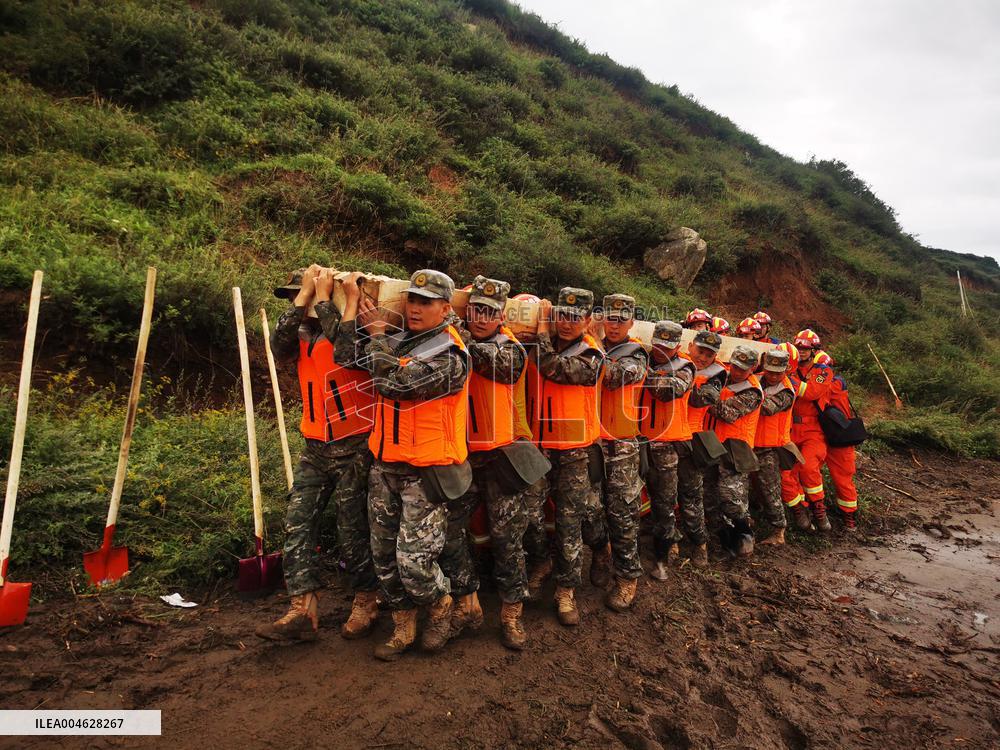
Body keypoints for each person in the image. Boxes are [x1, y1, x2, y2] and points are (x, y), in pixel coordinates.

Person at [338, 269, 471, 661]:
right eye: (411, 300)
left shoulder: (451, 354)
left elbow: (393, 384)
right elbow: (346, 357)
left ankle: (442, 604)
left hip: (425, 473)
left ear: (445, 308)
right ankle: (403, 625)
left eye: (426, 302)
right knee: (383, 558)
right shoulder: (399, 340)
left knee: (414, 564)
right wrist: (352, 309)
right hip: (386, 467)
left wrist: (377, 334)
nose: (415, 308)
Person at [255, 266, 379, 643]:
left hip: (355, 444)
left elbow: (345, 353)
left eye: (307, 295)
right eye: (301, 297)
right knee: (297, 521)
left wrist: (327, 299)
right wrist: (304, 297)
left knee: (351, 528)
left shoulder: (354, 325)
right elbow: (277, 346)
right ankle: (302, 607)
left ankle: (366, 598)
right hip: (315, 444)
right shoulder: (301, 334)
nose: (304, 303)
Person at [440, 275, 534, 649]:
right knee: (450, 532)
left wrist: (455, 327)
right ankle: (468, 602)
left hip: (499, 457)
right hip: (460, 456)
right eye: (475, 309)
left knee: (507, 539)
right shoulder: (451, 340)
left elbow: (487, 362)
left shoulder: (510, 350)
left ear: (502, 317)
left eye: (490, 312)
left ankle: (512, 614)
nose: (481, 317)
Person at [526, 287, 605, 626]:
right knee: (529, 515)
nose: (567, 323)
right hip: (539, 446)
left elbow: (554, 369)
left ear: (587, 321)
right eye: (561, 316)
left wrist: (542, 330)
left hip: (574, 451)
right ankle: (543, 562)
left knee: (570, 523)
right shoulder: (539, 344)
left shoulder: (592, 354)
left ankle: (566, 590)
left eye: (575, 317)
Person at [592, 294, 646, 611]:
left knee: (623, 516)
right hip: (590, 442)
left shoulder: (635, 354)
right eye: (609, 318)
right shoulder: (590, 346)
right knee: (590, 510)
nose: (614, 325)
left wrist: (588, 346)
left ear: (631, 323)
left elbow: (612, 377)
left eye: (621, 319)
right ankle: (601, 551)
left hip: (622, 446)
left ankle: (627, 579)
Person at [640, 320, 704, 576]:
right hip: (638, 439)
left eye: (667, 346)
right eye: (657, 344)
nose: (661, 350)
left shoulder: (685, 367)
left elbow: (666, 392)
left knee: (664, 503)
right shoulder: (642, 356)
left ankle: (662, 559)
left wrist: (641, 368)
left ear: (678, 346)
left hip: (667, 445)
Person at [702, 345, 764, 557]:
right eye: (735, 366)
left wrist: (704, 395)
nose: (737, 372)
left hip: (737, 449)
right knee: (709, 495)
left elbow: (726, 413)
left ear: (753, 368)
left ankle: (745, 535)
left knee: (732, 498)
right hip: (713, 442)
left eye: (742, 369)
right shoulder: (724, 377)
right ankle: (724, 540)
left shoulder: (752, 391)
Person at [781, 329, 834, 532]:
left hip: (813, 430)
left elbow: (811, 392)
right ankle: (798, 510)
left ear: (814, 350)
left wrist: (787, 378)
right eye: (799, 347)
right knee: (786, 474)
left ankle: (819, 509)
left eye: (806, 348)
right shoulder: (790, 368)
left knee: (809, 468)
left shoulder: (822, 371)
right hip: (789, 428)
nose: (802, 351)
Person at [751, 349, 795, 544]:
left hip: (770, 448)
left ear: (786, 370)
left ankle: (779, 530)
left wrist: (742, 398)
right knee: (744, 488)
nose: (774, 375)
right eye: (770, 371)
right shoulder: (756, 379)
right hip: (749, 444)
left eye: (778, 372)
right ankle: (748, 523)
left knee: (771, 491)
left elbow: (767, 408)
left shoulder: (786, 391)